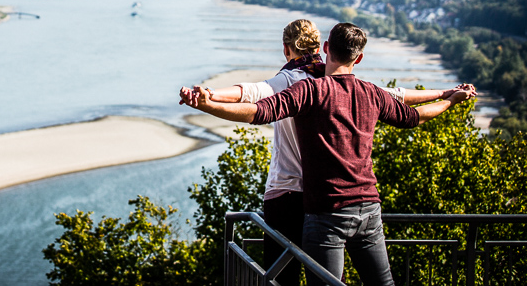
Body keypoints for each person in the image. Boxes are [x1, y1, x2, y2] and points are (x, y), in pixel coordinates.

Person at [179, 19, 470, 286]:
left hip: (326, 211)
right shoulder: (369, 91)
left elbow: (257, 106)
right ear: (358, 57)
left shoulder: (309, 89)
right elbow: (411, 113)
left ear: (327, 48)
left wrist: (208, 103)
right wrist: (449, 98)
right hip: (369, 208)